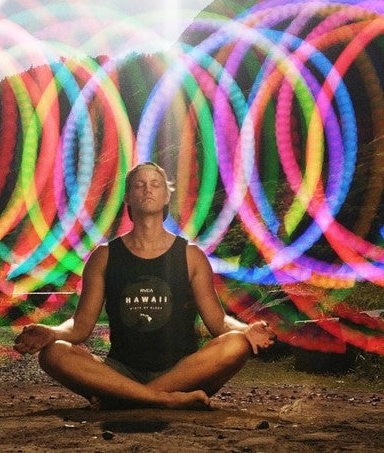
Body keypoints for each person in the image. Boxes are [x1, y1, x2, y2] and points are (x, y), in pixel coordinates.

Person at [14, 162, 276, 409]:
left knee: (236, 344)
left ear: (165, 197)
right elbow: (80, 326)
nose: (147, 188)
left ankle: (125, 398)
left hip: (183, 372)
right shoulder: (104, 256)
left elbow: (218, 323)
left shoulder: (191, 255)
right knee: (53, 354)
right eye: (139, 184)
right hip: (120, 370)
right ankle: (163, 399)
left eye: (155, 183)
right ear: (127, 198)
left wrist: (246, 329)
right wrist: (52, 332)